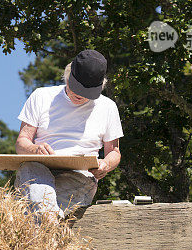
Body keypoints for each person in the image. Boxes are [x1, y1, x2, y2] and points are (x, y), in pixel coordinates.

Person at [14, 49, 123, 221]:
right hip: (39, 170)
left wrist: (105, 164)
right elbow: (21, 143)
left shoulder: (107, 107)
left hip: (79, 177)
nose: (79, 95)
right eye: (76, 88)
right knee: (30, 171)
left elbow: (114, 152)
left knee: (34, 207)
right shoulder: (41, 96)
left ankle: (46, 223)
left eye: (86, 93)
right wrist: (34, 149)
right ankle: (50, 224)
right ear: (68, 76)